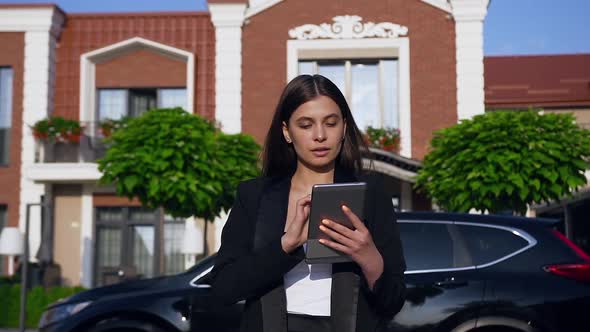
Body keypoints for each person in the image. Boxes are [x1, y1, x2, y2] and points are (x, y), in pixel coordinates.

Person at [209, 74, 406, 332]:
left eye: (331, 123)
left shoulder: (372, 194)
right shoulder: (254, 195)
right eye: (305, 125)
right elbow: (223, 289)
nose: (320, 135)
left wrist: (369, 257)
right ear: (286, 131)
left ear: (344, 128)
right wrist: (285, 245)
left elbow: (393, 302)